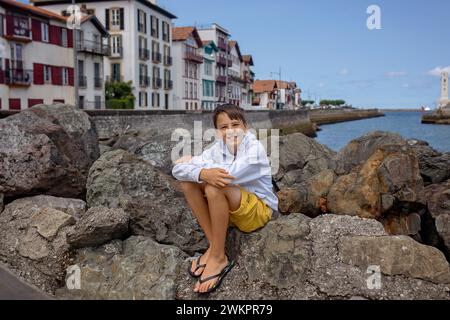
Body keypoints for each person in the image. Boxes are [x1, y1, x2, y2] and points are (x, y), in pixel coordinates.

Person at [172, 104, 278, 294]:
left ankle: (219, 258)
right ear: (217, 132)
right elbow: (177, 171)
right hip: (230, 209)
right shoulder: (217, 149)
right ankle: (214, 246)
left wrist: (196, 166)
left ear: (245, 127)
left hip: (257, 212)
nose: (230, 131)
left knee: (214, 186)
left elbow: (225, 177)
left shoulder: (254, 149)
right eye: (223, 127)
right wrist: (203, 171)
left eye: (235, 124)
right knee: (189, 184)